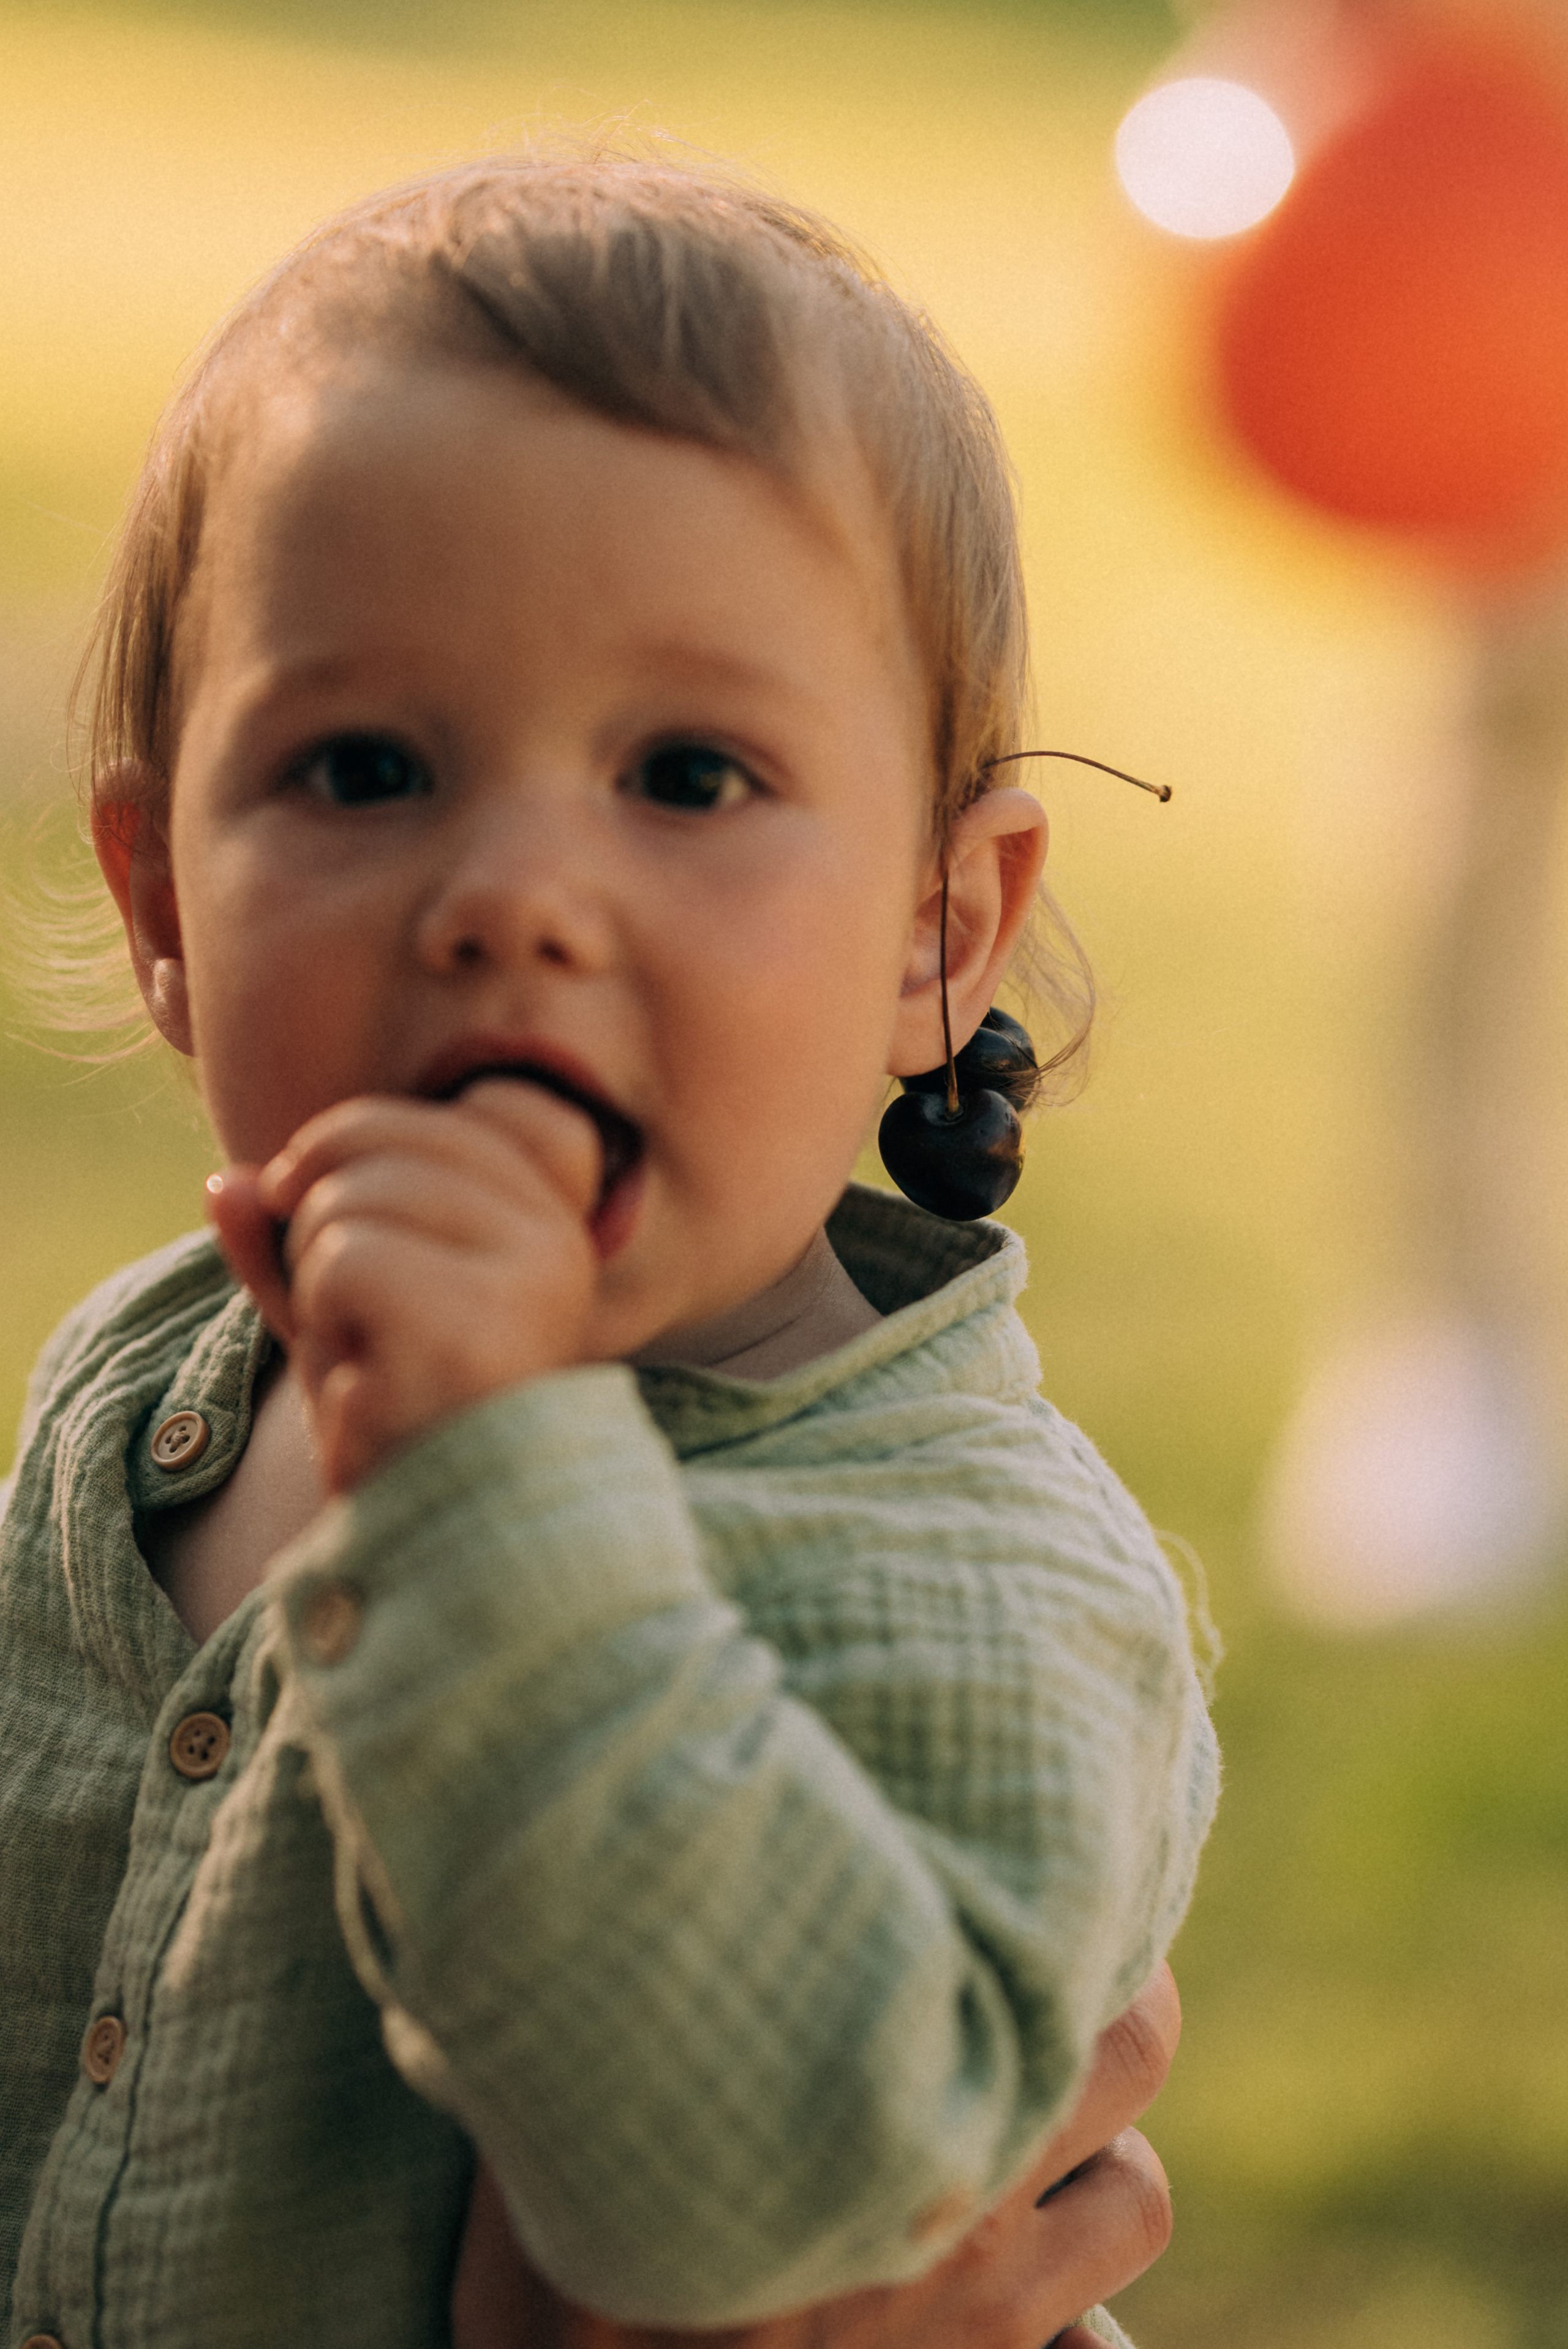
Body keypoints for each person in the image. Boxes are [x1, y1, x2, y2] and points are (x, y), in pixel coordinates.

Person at [0, 150, 1218, 2349]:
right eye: (363, 767)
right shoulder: (142, 1396)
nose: (512, 899)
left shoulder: (975, 1567)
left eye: (686, 776)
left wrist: (492, 1476)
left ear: (938, 931)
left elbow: (776, 2213)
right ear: (165, 898)